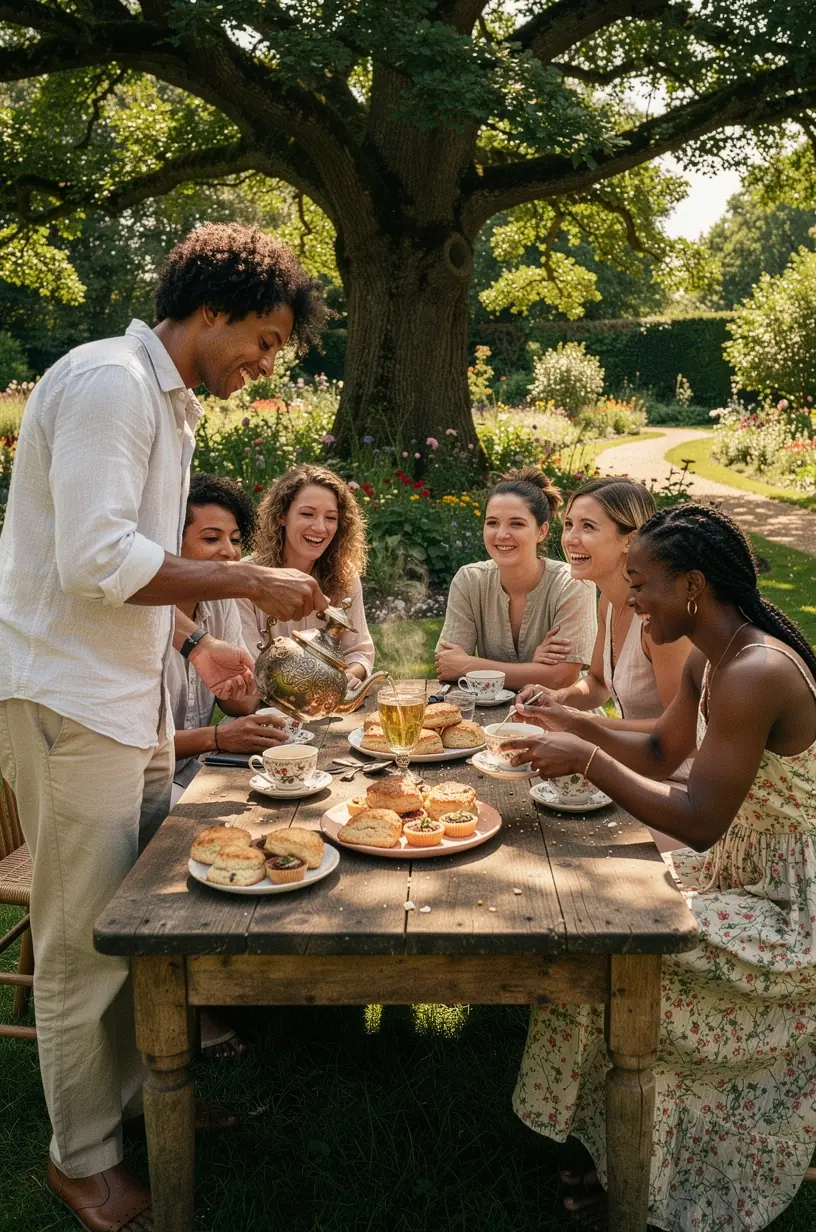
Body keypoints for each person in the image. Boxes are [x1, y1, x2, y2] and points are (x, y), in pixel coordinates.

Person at [0, 222, 331, 1232]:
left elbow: (131, 562)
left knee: (142, 919)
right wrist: (249, 580)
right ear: (215, 306)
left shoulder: (166, 401)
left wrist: (193, 647)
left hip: (128, 690)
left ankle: (145, 1099)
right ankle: (81, 1157)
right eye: (266, 340)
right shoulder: (108, 382)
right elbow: (101, 560)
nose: (266, 362)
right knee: (84, 938)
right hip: (71, 700)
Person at [509, 503, 816, 1231]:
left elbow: (701, 822)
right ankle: (613, 1144)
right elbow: (659, 755)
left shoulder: (756, 670)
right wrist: (573, 719)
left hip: (791, 903)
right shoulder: (717, 654)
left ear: (692, 587)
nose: (631, 595)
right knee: (587, 926)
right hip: (742, 872)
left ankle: (646, 1170)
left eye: (641, 582)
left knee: (624, 949)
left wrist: (584, 759)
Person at [519, 477, 693, 850]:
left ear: (629, 539)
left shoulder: (657, 620)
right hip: (638, 767)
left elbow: (680, 726)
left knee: (565, 845)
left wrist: (580, 724)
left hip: (683, 786)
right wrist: (557, 697)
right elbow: (597, 682)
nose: (570, 539)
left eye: (588, 527)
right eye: (568, 525)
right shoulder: (609, 601)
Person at [169, 473, 289, 811]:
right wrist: (218, 737)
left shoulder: (220, 601)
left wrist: (248, 684)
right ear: (170, 544)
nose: (230, 552)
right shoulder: (141, 619)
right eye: (211, 539)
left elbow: (238, 706)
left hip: (194, 773)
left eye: (235, 540)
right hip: (139, 789)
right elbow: (133, 747)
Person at [434, 468, 597, 690]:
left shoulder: (572, 583)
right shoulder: (469, 580)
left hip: (561, 716)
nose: (501, 534)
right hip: (489, 713)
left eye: (516, 524)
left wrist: (469, 665)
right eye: (492, 523)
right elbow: (447, 665)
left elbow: (561, 677)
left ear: (541, 531)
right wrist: (533, 669)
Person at [237, 463, 374, 683]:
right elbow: (250, 664)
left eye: (331, 518)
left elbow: (359, 652)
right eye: (307, 514)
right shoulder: (247, 578)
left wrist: (349, 676)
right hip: (264, 710)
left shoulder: (344, 576)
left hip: (328, 706)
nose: (320, 527)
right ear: (282, 516)